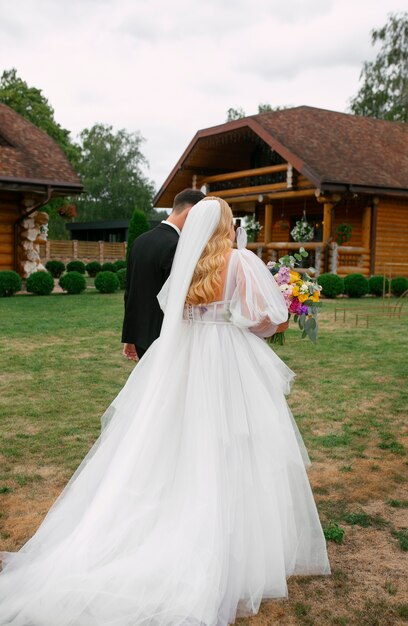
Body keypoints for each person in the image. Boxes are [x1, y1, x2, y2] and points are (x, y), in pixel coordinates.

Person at [0, 197, 330, 626]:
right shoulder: (241, 261)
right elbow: (265, 319)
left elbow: (167, 308)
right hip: (226, 358)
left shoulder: (186, 262)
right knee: (233, 442)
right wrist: (282, 311)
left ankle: (168, 518)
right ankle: (231, 542)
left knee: (176, 437)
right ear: (228, 226)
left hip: (184, 356)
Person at [122, 188, 205, 361]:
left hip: (140, 336)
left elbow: (130, 292)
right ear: (190, 213)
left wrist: (130, 336)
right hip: (166, 339)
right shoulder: (178, 246)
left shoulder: (139, 241)